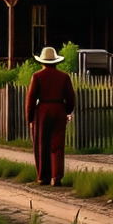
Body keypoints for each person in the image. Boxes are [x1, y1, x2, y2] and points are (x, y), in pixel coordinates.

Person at [27, 46, 77, 186]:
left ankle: (44, 177)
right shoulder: (64, 77)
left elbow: (31, 99)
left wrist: (30, 118)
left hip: (42, 110)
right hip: (58, 109)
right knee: (57, 144)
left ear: (42, 62)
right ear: (56, 62)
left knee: (42, 144)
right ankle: (57, 177)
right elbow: (71, 98)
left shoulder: (37, 76)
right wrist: (66, 111)